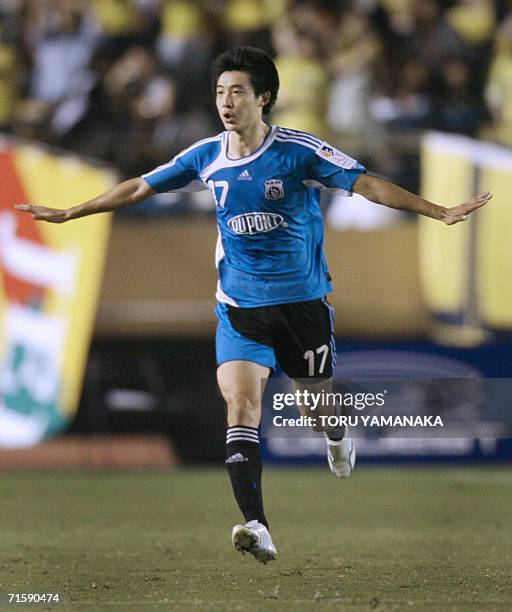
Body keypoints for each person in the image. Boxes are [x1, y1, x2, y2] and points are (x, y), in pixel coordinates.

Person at [16, 47, 491, 565]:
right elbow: (139, 187)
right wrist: (71, 212)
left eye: (237, 90)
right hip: (240, 309)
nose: (226, 101)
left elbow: (367, 184)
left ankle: (337, 436)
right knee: (241, 407)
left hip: (302, 306)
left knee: (316, 409)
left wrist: (437, 210)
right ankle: (256, 524)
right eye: (220, 91)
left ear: (264, 98)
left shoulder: (298, 152)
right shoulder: (207, 155)